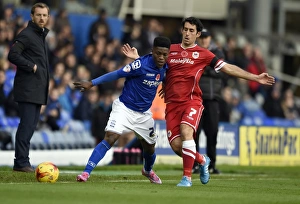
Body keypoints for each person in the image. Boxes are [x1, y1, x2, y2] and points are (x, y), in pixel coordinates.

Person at [122, 17, 275, 187]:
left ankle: (186, 178)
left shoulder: (204, 54)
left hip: (192, 101)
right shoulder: (170, 50)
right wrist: (137, 57)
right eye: (185, 29)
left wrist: (255, 77)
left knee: (187, 131)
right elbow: (151, 64)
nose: (187, 33)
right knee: (176, 146)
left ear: (198, 34)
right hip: (172, 105)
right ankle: (202, 160)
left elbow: (228, 68)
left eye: (191, 31)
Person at [73, 36, 171, 184]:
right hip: (124, 108)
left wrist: (166, 85)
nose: (162, 57)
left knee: (150, 148)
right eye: (158, 53)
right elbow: (116, 74)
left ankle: (148, 171)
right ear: (152, 51)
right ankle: (86, 172)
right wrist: (92, 83)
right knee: (111, 137)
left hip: (144, 114)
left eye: (165, 54)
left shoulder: (166, 66)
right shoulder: (139, 65)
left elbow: (166, 77)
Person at [7, 2, 50, 172]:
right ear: (32, 16)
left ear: (48, 17)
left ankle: (23, 161)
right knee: (26, 125)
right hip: (28, 89)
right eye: (38, 15)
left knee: (30, 126)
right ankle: (21, 162)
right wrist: (31, 66)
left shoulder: (39, 35)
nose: (41, 18)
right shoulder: (27, 34)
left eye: (44, 15)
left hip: (36, 89)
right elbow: (13, 54)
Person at [193, 29, 225, 174]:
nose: (204, 40)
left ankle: (211, 163)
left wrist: (203, 68)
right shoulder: (196, 51)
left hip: (212, 98)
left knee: (212, 132)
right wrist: (208, 67)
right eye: (202, 37)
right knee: (194, 133)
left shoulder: (217, 52)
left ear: (210, 38)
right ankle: (194, 163)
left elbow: (220, 71)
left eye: (206, 37)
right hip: (197, 98)